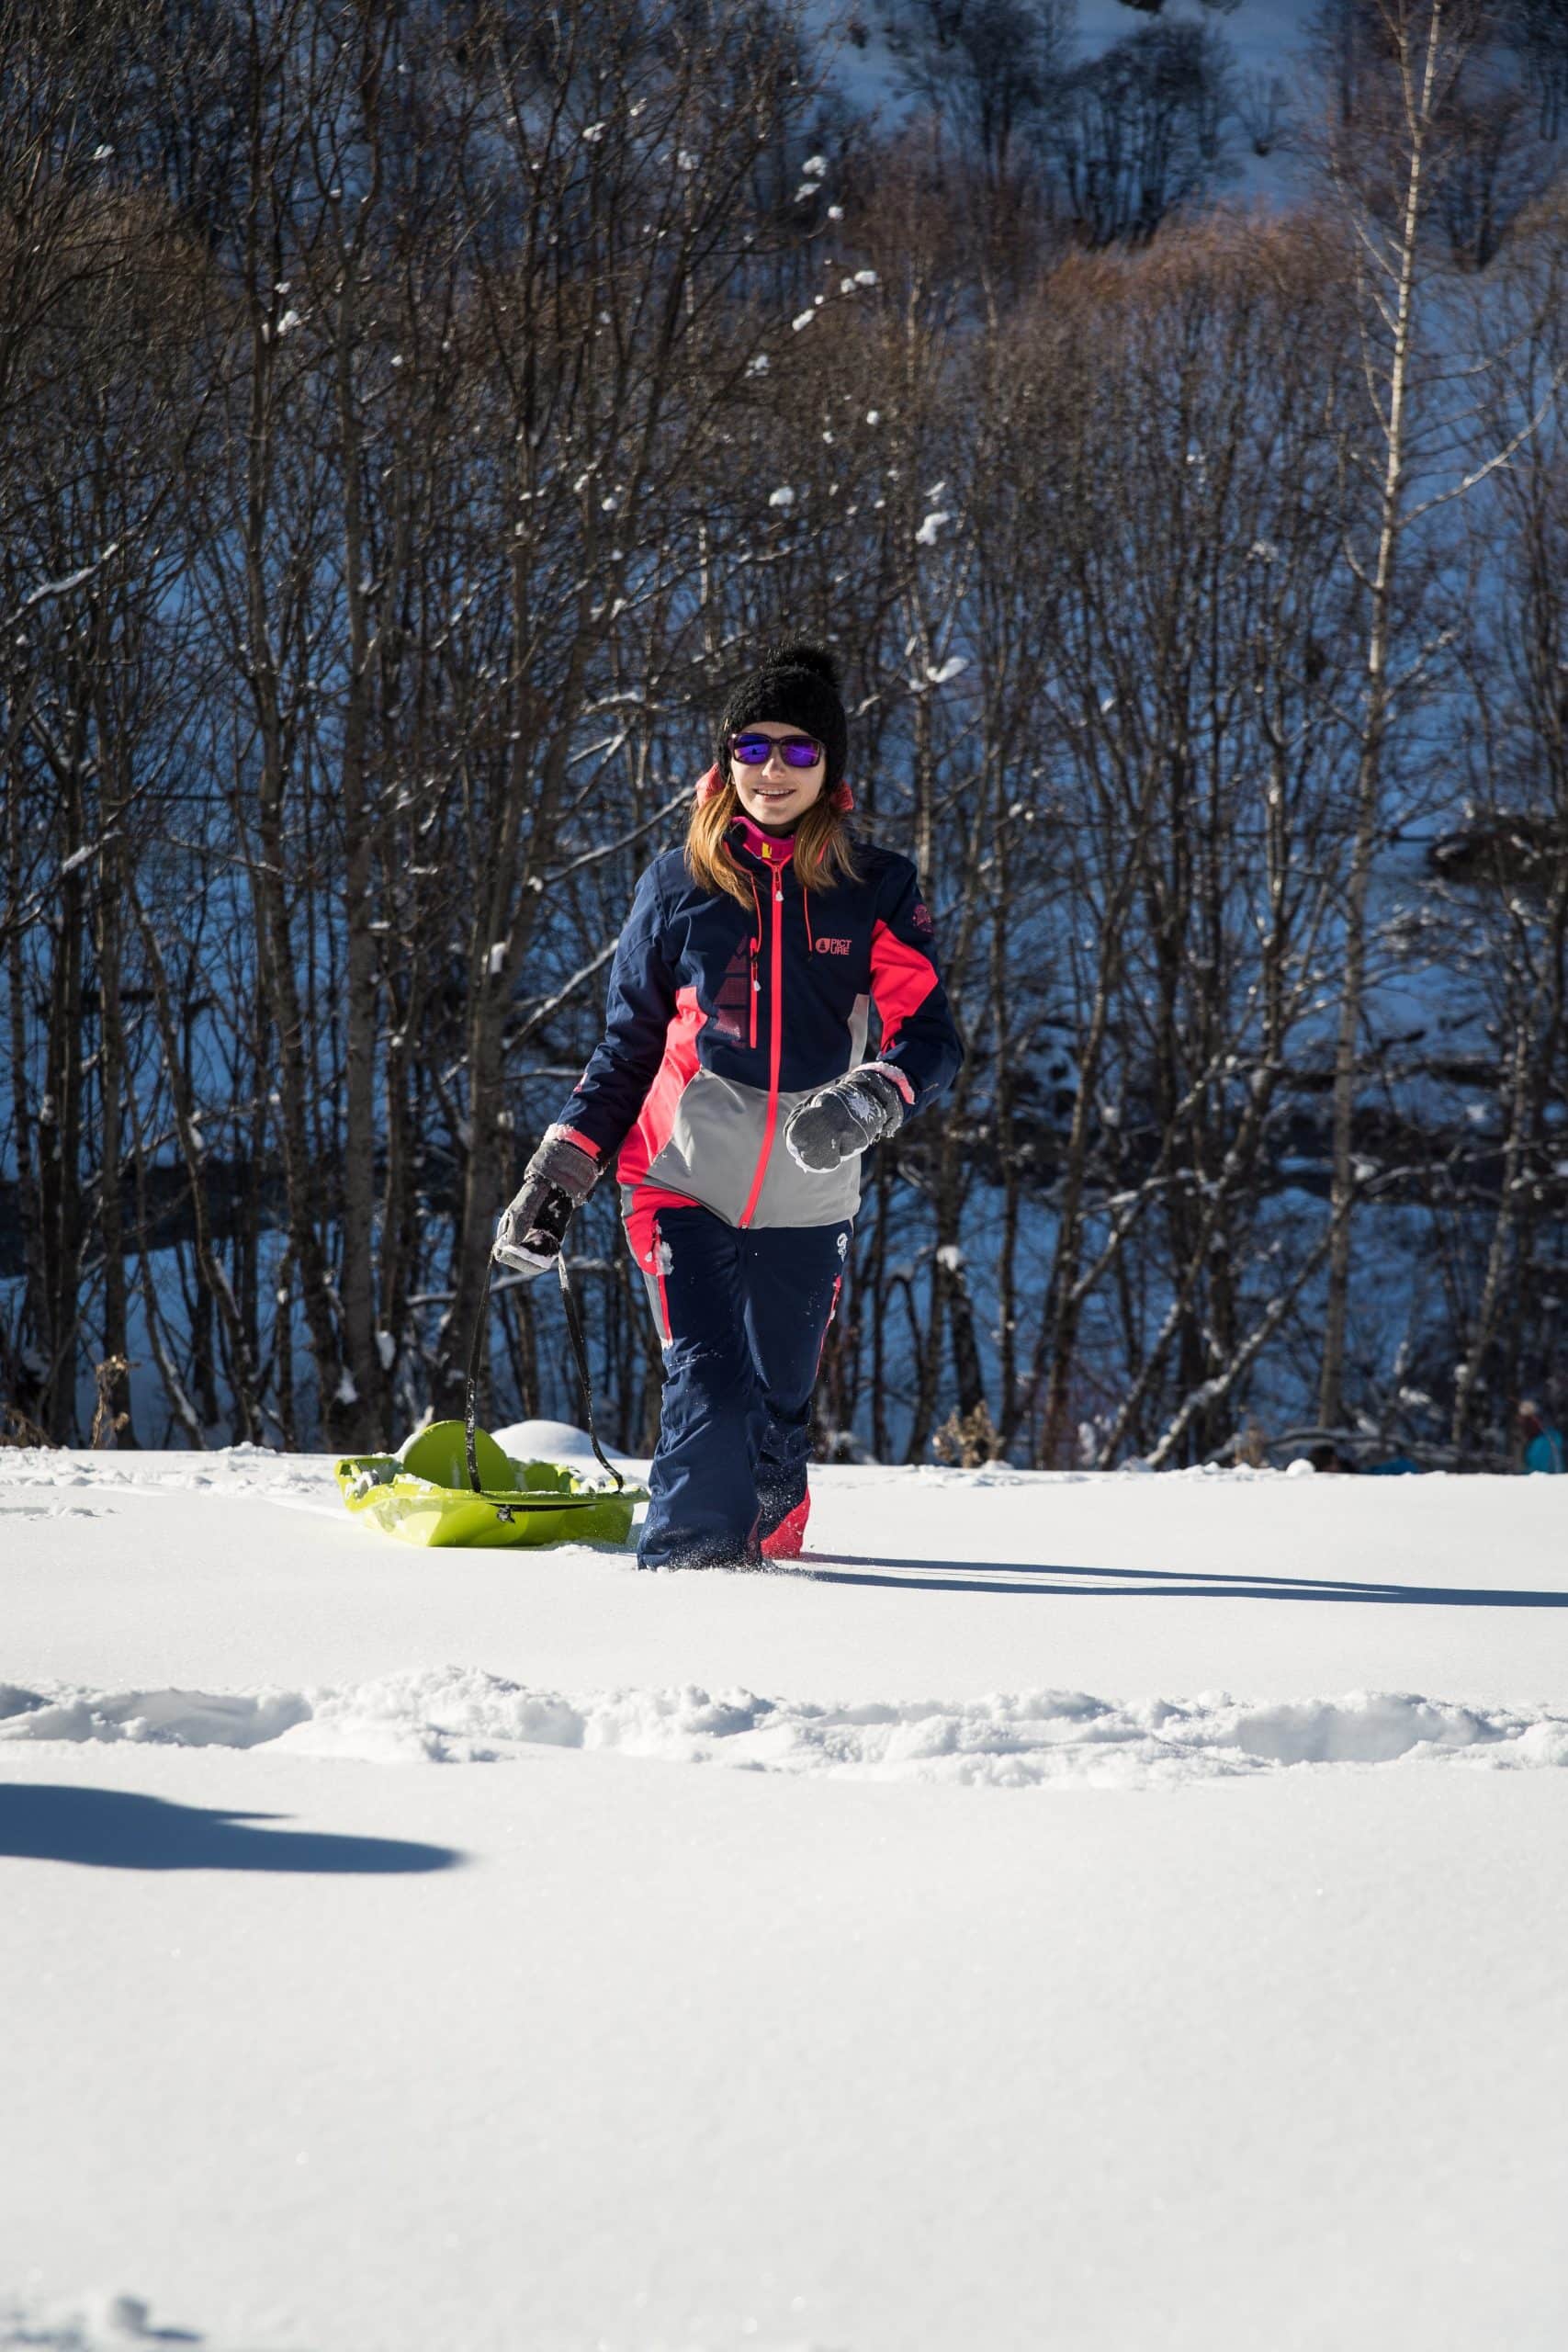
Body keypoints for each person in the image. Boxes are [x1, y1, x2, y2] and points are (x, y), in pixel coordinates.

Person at [493, 640, 964, 1570]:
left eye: (798, 750)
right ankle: (689, 1593)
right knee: (710, 1382)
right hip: (678, 1176)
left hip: (812, 1183)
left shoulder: (876, 887)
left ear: (831, 770)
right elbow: (627, 1046)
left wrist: (875, 1095)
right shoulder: (679, 885)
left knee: (779, 1411)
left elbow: (934, 1036)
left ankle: (767, 1560)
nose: (773, 769)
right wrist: (561, 1167)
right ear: (725, 759)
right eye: (754, 747)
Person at [1517, 1399, 1565, 1475]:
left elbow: (1539, 1473)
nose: (1524, 1427)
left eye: (1527, 1421)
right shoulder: (1537, 1441)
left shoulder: (1545, 1442)